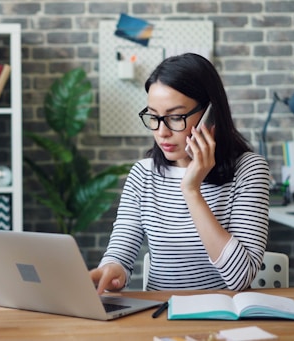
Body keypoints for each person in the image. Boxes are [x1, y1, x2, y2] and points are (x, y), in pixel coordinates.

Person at [89, 53, 271, 293]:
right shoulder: (143, 175)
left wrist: (191, 190)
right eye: (154, 117)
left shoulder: (249, 170)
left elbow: (240, 278)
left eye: (175, 118)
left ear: (210, 115)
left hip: (223, 318)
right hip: (159, 314)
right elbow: (120, 253)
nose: (162, 132)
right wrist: (113, 270)